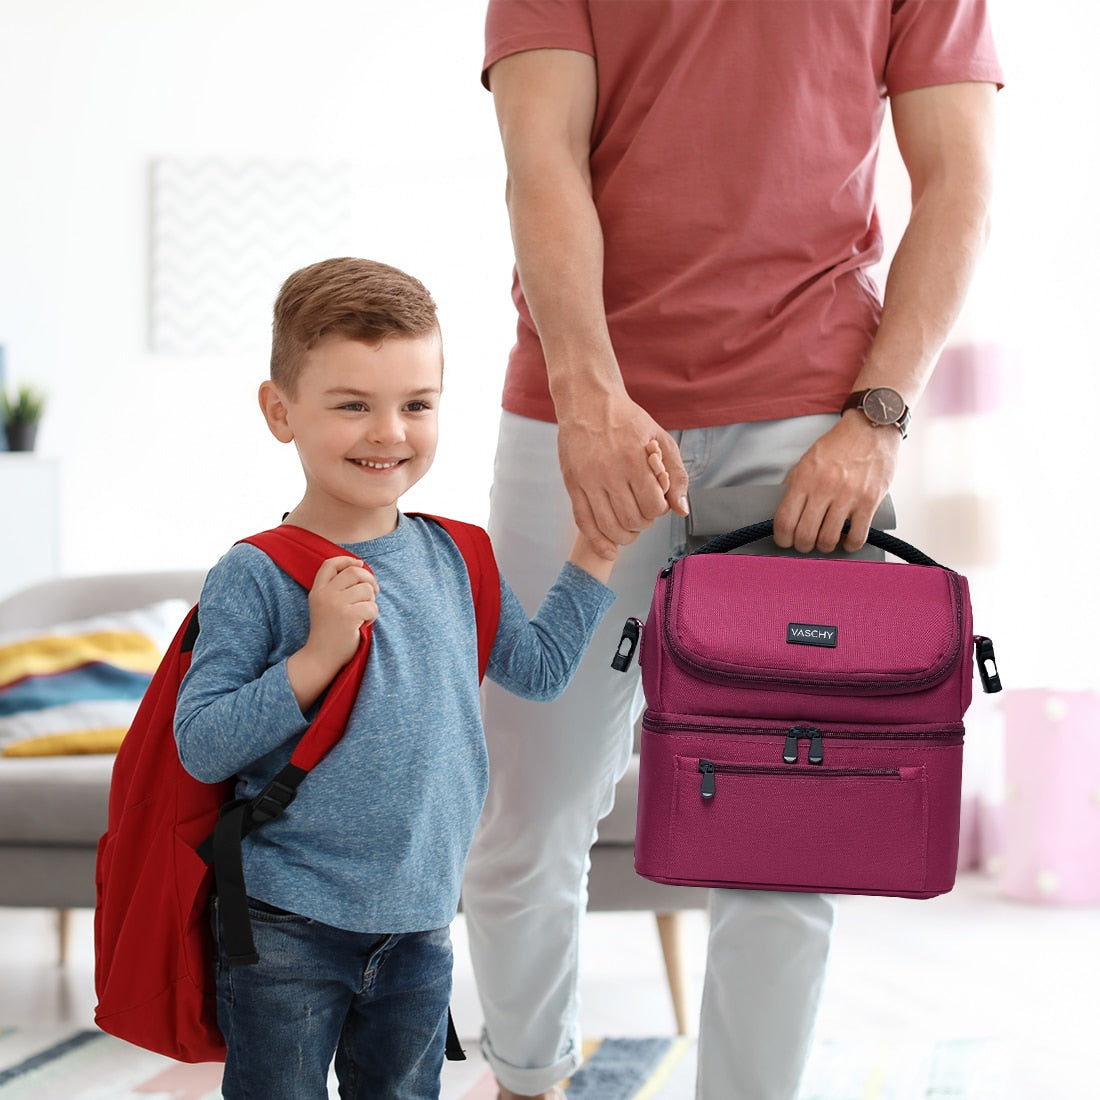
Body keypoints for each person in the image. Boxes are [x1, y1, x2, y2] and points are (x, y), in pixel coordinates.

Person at [462, 3, 1003, 1099]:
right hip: (578, 414)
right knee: (530, 796)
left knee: (785, 823)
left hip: (813, 422)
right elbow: (541, 157)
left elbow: (957, 181)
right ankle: (523, 1079)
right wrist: (586, 396)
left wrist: (877, 420)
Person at [173, 256, 669, 1100]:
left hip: (420, 921)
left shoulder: (458, 554)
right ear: (279, 411)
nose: (388, 433)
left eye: (416, 405)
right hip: (285, 922)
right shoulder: (255, 574)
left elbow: (540, 673)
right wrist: (315, 657)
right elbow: (202, 743)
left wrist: (596, 551)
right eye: (352, 405)